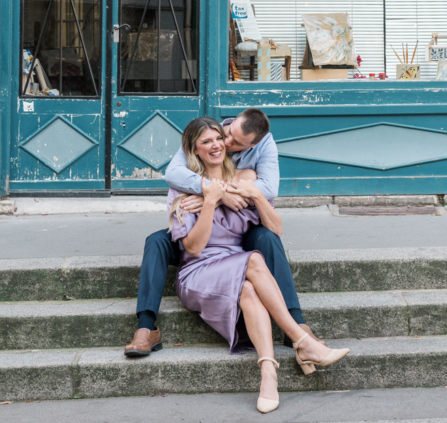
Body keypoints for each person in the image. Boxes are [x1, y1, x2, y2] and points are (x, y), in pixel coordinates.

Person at [163, 117, 349, 413]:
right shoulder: (182, 189)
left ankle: (268, 375)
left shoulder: (242, 179)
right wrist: (210, 200)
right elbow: (194, 248)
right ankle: (302, 341)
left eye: (217, 139)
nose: (216, 145)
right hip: (198, 273)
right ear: (195, 150)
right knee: (254, 260)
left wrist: (256, 195)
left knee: (249, 290)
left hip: (234, 265)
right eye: (206, 141)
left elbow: (275, 229)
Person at [125, 108, 315, 358]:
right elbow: (172, 174)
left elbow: (268, 188)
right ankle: (146, 327)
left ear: (252, 145)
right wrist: (210, 194)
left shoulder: (260, 152)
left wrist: (225, 195)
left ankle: (296, 322)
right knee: (156, 241)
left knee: (268, 238)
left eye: (234, 142)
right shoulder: (208, 133)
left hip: (237, 232)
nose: (224, 143)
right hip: (201, 235)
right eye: (226, 134)